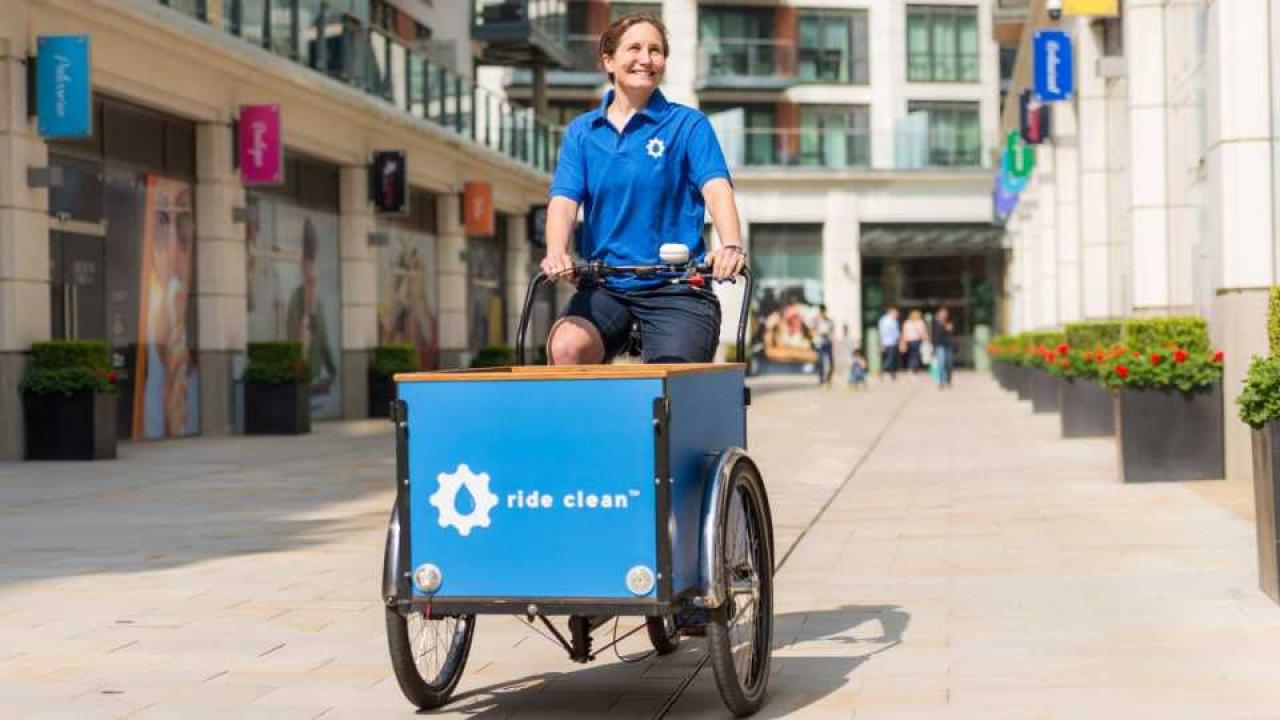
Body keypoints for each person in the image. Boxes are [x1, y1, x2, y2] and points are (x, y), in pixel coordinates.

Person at [539, 13, 747, 364]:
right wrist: (557, 251)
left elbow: (716, 189)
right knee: (565, 347)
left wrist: (730, 245)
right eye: (634, 48)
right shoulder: (582, 132)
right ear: (608, 60)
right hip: (606, 286)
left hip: (677, 287)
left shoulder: (688, 124)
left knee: (670, 378)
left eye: (655, 50)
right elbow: (564, 201)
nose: (646, 59)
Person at [931, 306, 955, 388]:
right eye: (942, 313)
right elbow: (935, 334)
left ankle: (948, 380)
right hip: (939, 346)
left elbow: (951, 332)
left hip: (948, 345)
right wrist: (934, 346)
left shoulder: (950, 322)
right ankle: (941, 381)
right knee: (941, 363)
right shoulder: (935, 323)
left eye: (945, 313)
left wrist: (948, 327)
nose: (944, 315)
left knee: (949, 364)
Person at [811, 304, 834, 386]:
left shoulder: (829, 321)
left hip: (828, 342)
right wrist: (819, 333)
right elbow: (812, 331)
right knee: (820, 362)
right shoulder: (816, 320)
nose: (823, 313)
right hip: (819, 343)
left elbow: (832, 331)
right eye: (821, 311)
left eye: (824, 311)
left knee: (831, 362)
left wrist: (829, 335)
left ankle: (828, 379)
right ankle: (821, 380)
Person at [901, 309, 929, 374]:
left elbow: (904, 332)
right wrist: (926, 339)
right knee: (915, 355)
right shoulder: (920, 322)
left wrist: (903, 341)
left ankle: (910, 368)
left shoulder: (907, 322)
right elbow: (923, 332)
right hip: (916, 340)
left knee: (910, 355)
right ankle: (913, 368)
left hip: (908, 341)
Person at [877, 307, 901, 380]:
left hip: (889, 342)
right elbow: (883, 332)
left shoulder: (885, 320)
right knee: (889, 358)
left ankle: (892, 374)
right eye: (896, 313)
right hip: (889, 342)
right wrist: (881, 343)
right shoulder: (888, 321)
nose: (897, 315)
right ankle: (882, 371)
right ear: (891, 313)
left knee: (890, 358)